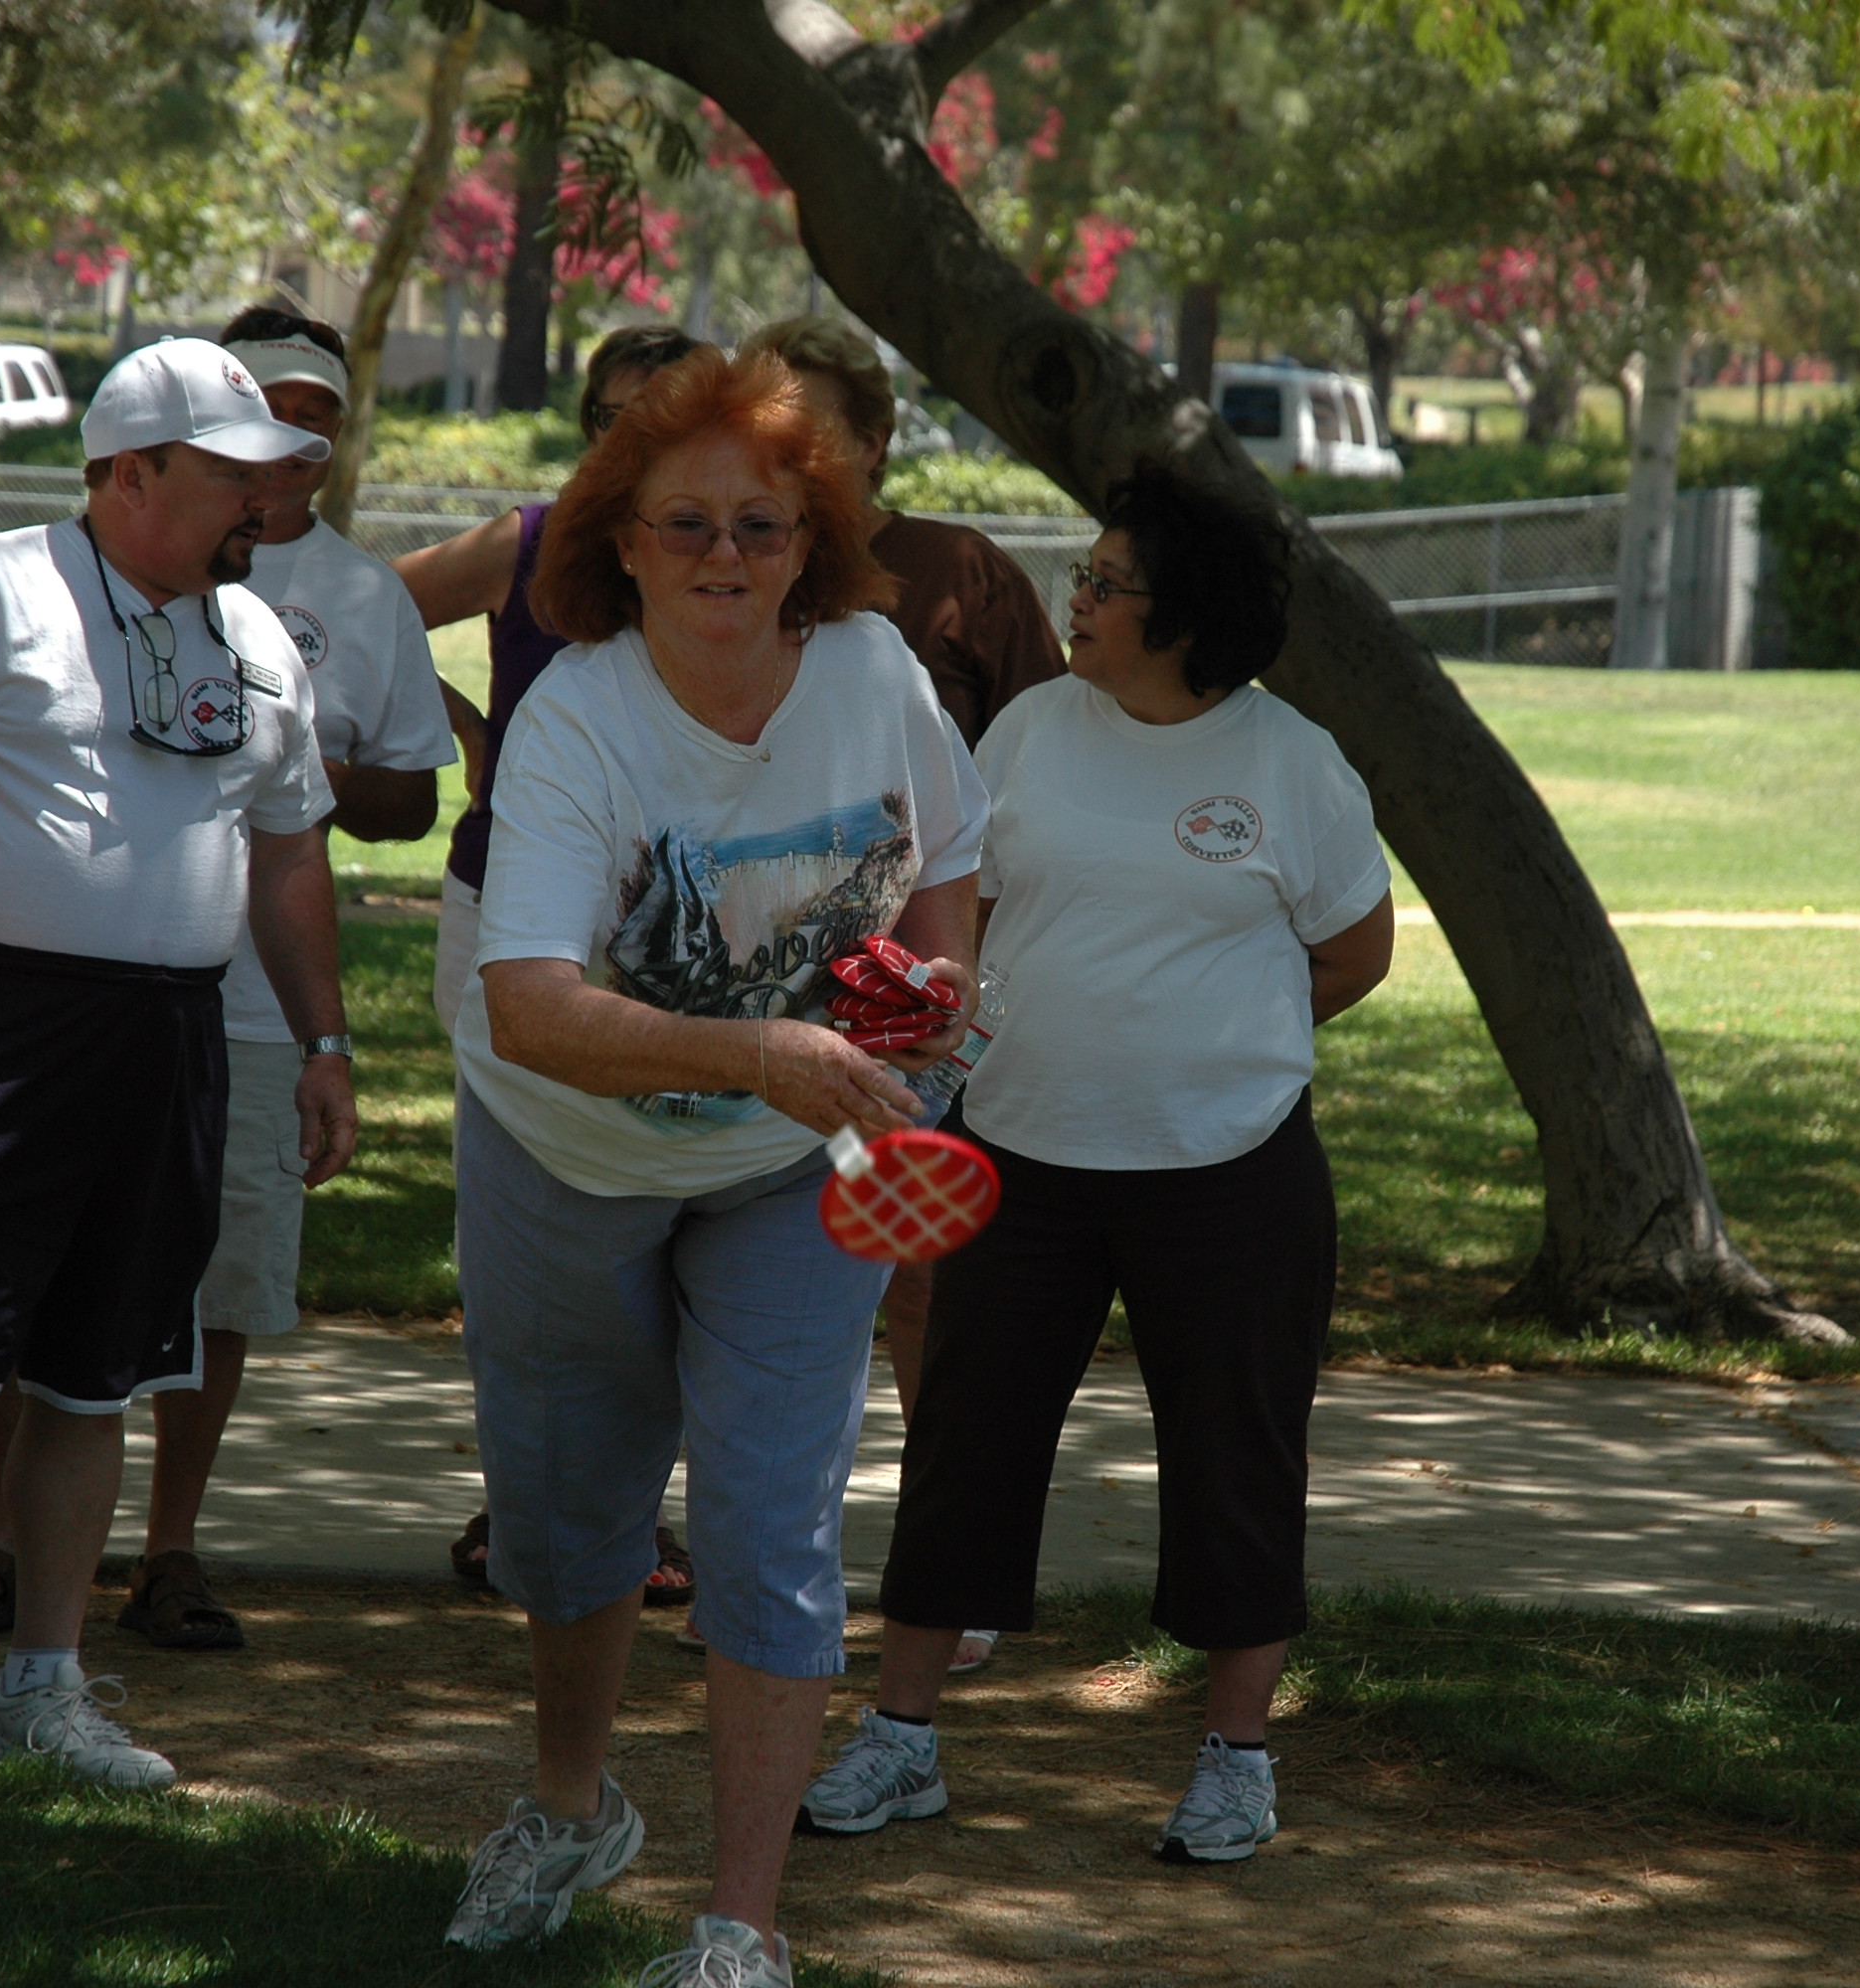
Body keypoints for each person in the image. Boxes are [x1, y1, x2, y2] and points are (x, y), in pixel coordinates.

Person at [436, 347, 984, 1988]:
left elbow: (945, 858)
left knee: (769, 1520)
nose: (726, 556)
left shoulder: (878, 672)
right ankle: (567, 1802)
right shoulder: (576, 724)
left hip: (790, 1167)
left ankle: (742, 1924)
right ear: (620, 544)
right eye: (687, 525)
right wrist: (765, 1048)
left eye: (763, 523)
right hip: (563, 1151)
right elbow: (528, 1008)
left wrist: (933, 1002)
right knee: (568, 1509)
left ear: (814, 539)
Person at [801, 462, 1394, 1866]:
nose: (1078, 599)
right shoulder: (1027, 733)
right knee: (963, 1449)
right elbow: (971, 915)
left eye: (1108, 584)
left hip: (1234, 1171)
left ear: (1184, 614)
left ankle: (1235, 1759)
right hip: (1021, 1162)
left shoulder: (1291, 762)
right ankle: (902, 1738)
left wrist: (1217, 1039)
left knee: (1239, 1461)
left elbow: (1353, 955)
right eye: (1086, 574)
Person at [0, 339, 358, 1805]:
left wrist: (323, 1044)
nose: (264, 499)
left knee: (93, 1379)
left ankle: (44, 1685)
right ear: (135, 472)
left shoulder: (254, 638)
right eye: (235, 474)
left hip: (176, 1036)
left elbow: (291, 843)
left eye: (274, 476)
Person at [87, 306, 451, 1650]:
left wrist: (277, 766)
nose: (293, 444)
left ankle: (169, 1551)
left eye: (319, 420)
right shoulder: (99, 573)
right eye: (273, 412)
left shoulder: (363, 600)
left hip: (248, 1006)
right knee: (65, 1271)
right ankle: (0, 1544)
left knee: (223, 1286)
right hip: (89, 988)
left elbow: (407, 805)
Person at [743, 314, 1064, 1673]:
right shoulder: (729, 559)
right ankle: (770, 1564)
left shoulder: (957, 578)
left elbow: (1036, 772)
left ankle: (945, 1574)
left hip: (917, 1002)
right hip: (749, 997)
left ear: (873, 443)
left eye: (810, 435)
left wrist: (963, 969)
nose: (786, 463)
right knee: (764, 1290)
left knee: (926, 1287)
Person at [393, 322, 701, 1606]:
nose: (634, 445)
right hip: (507, 903)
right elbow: (369, 610)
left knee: (682, 1201)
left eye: (666, 421)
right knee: (517, 1208)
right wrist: (460, 730)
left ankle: (649, 1510)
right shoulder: (524, 545)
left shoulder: (725, 555)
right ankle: (519, 1498)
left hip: (677, 923)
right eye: (614, 419)